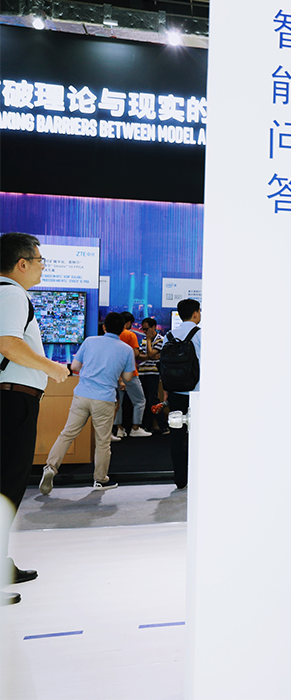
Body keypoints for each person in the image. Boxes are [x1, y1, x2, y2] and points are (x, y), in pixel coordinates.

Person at [0, 233, 70, 606]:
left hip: (11, 400)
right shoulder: (11, 294)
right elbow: (9, 344)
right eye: (40, 260)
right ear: (22, 263)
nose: (43, 267)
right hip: (12, 402)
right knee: (6, 488)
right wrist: (52, 368)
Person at [40, 311, 136, 495]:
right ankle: (100, 479)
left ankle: (51, 467)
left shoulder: (90, 341)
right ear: (123, 329)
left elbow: (75, 367)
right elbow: (128, 377)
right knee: (103, 442)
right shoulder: (126, 349)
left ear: (104, 327)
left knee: (67, 434)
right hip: (105, 399)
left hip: (82, 395)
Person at [167, 298, 200, 490]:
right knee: (198, 435)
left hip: (175, 392)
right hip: (196, 393)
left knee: (177, 436)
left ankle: (180, 479)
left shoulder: (169, 335)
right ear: (195, 314)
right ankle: (197, 476)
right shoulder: (201, 334)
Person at [112, 311, 150, 439]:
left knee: (118, 403)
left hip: (116, 374)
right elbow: (135, 354)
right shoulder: (130, 334)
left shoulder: (114, 336)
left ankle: (119, 429)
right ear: (128, 323)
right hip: (130, 373)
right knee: (140, 401)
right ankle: (135, 428)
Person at [137, 317, 167, 433]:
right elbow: (141, 355)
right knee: (145, 400)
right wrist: (150, 356)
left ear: (154, 327)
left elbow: (149, 353)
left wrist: (149, 341)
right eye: (143, 329)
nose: (145, 332)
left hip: (153, 373)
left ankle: (162, 425)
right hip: (142, 371)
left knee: (153, 399)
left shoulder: (160, 340)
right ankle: (147, 425)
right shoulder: (144, 340)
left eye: (147, 329)